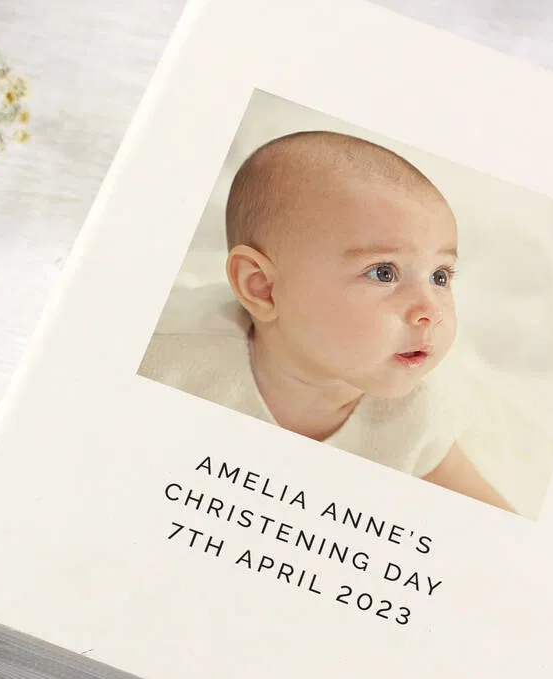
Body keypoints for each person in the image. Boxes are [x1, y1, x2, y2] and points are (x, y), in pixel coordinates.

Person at [139, 130, 512, 512]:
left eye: (440, 276)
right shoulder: (166, 356)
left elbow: (499, 527)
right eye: (384, 272)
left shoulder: (414, 419)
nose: (430, 310)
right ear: (263, 288)